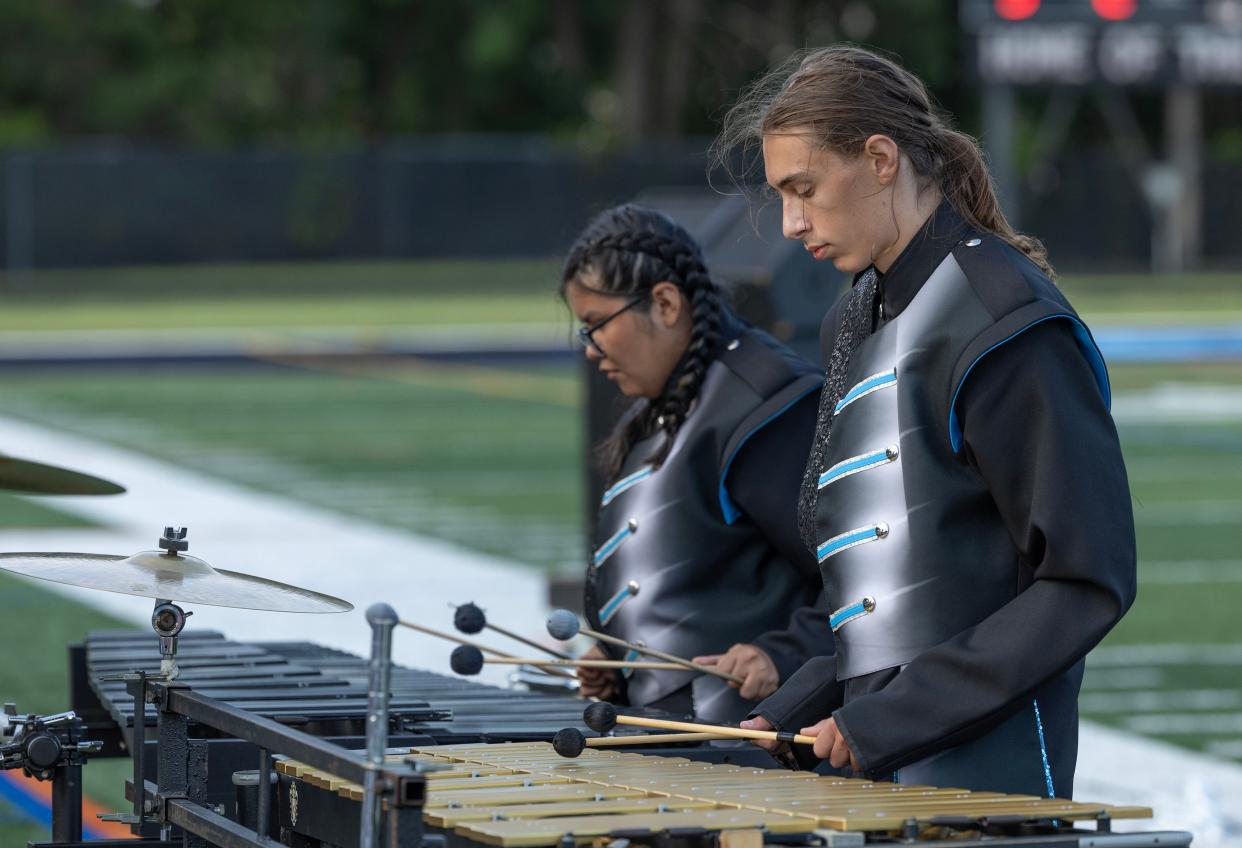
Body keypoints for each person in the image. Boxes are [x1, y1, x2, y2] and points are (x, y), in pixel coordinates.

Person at [709, 45, 1136, 796]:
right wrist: (815, 694)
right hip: (882, 774)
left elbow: (1083, 578)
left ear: (879, 158)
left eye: (802, 188)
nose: (789, 223)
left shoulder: (1005, 321)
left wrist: (892, 716)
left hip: (991, 786)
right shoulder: (854, 315)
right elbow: (901, 587)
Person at [560, 203, 832, 723]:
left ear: (664, 304)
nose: (591, 349)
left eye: (597, 324)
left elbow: (859, 573)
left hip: (751, 749)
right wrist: (617, 657)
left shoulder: (761, 404)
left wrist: (787, 652)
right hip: (675, 734)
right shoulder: (665, 405)